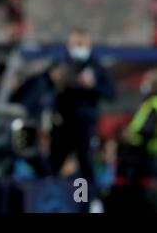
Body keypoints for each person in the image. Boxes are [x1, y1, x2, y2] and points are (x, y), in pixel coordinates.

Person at [48, 28, 116, 190]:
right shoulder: (60, 64)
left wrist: (93, 86)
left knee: (86, 165)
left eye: (80, 44)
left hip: (85, 126)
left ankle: (90, 202)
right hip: (63, 125)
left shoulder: (97, 67)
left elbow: (111, 94)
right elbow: (45, 91)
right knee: (53, 164)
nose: (77, 48)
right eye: (74, 44)